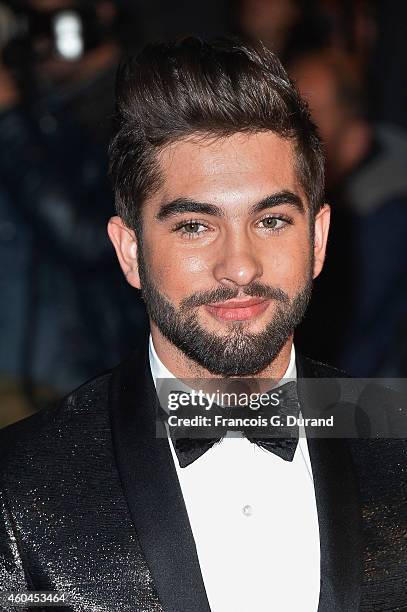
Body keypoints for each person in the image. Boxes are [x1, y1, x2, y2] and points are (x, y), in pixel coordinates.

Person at [0, 37, 406, 612]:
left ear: (316, 239)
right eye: (194, 226)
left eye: (270, 221)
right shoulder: (17, 490)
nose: (238, 266)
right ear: (130, 251)